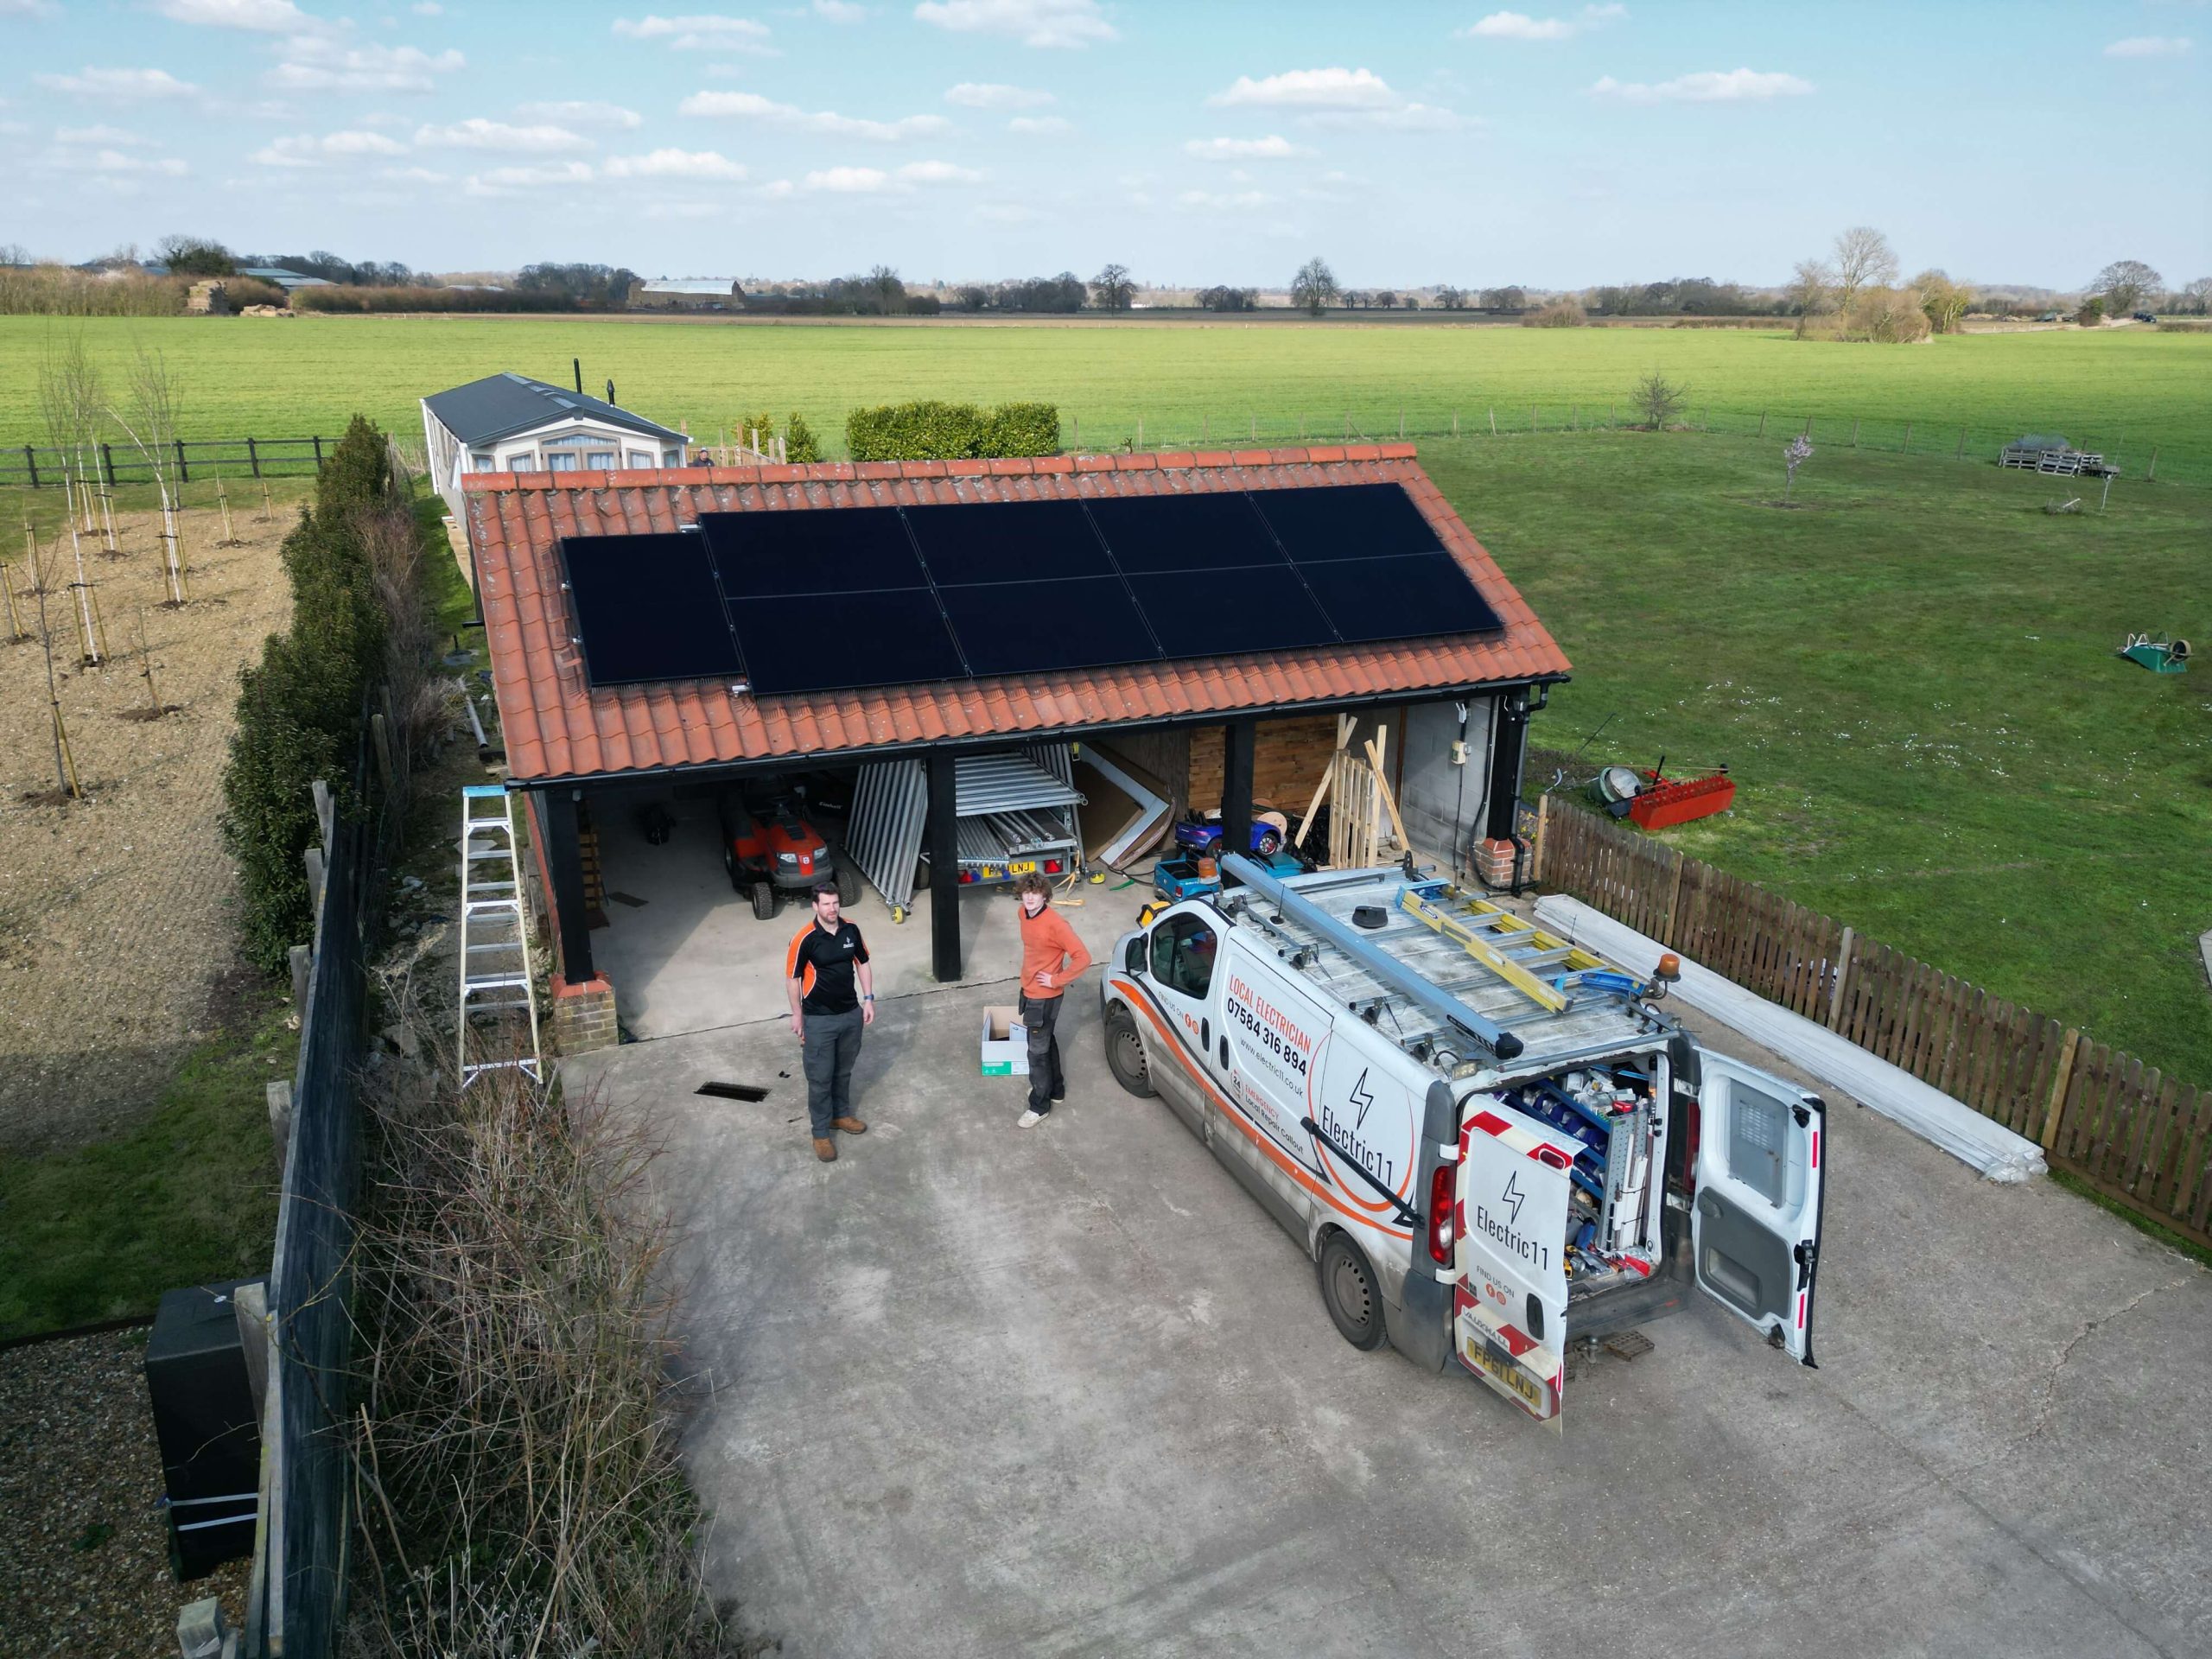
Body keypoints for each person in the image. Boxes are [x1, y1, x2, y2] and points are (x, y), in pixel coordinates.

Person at [786, 881, 874, 1162]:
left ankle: (841, 1116)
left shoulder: (851, 929)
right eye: (826, 903)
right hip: (818, 1019)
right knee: (820, 1078)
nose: (832, 908)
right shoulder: (805, 938)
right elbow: (793, 979)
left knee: (843, 1071)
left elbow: (863, 962)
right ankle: (821, 1133)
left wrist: (869, 999)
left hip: (850, 1014)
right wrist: (797, 1014)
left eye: (835, 902)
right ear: (815, 906)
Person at [1013, 872, 1093, 1128]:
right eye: (1026, 893)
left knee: (1036, 1053)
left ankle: (1039, 1105)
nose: (1029, 899)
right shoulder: (1022, 914)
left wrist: (1057, 979)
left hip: (1045, 997)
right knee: (1046, 1040)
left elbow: (1083, 957)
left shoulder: (1057, 924)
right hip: (1029, 990)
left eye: (1035, 894)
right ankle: (1056, 1090)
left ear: (1045, 896)